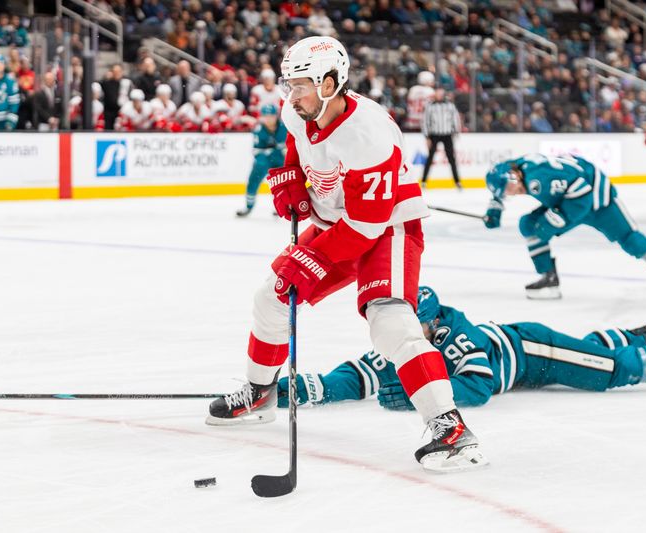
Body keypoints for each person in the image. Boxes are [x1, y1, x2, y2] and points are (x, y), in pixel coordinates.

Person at [206, 36, 487, 473]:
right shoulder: (298, 108)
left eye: (300, 84)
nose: (290, 94)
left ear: (330, 83)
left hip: (388, 225)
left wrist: (314, 259)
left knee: (390, 321)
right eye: (289, 83)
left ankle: (450, 429)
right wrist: (292, 180)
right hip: (340, 220)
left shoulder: (367, 133)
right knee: (272, 297)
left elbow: (368, 225)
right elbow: (297, 144)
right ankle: (261, 393)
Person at [275, 286, 646, 409]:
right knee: (591, 349)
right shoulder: (401, 340)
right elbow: (359, 375)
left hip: (532, 356)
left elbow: (477, 387)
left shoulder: (461, 340)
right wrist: (304, 387)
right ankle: (642, 334)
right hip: (522, 356)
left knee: (608, 371)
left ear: (432, 321)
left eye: (410, 321)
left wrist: (423, 394)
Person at [483, 153, 646, 299]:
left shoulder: (537, 181)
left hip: (597, 201)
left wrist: (553, 221)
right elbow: (503, 184)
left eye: (509, 190)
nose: (511, 193)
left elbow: (582, 194)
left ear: (514, 176)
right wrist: (495, 208)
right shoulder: (517, 167)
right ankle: (549, 278)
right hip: (570, 197)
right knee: (529, 225)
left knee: (631, 240)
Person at [236, 104, 287, 217]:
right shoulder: (258, 130)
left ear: (276, 116)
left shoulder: (285, 127)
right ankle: (248, 207)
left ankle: (281, 206)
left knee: (282, 185)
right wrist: (272, 151)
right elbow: (256, 151)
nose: (269, 119)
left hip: (280, 160)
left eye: (271, 116)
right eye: (266, 116)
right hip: (263, 161)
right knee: (253, 181)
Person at [420, 87, 461, 189]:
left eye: (440, 93)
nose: (438, 95)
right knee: (430, 158)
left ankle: (457, 182)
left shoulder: (450, 105)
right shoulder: (430, 106)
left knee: (451, 158)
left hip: (447, 135)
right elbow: (425, 121)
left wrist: (455, 132)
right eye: (437, 93)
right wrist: (427, 136)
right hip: (434, 135)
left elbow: (455, 119)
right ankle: (424, 181)